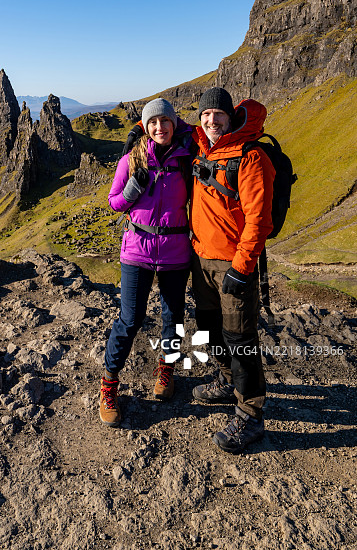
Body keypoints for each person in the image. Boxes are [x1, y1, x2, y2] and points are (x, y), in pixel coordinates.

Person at [190, 87, 275, 453]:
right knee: (210, 329)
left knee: (240, 339)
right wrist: (141, 126)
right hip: (201, 261)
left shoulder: (251, 156)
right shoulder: (202, 147)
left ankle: (250, 415)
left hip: (232, 264)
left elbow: (259, 221)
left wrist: (241, 269)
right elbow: (164, 126)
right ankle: (227, 382)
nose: (212, 120)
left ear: (230, 116)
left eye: (218, 114)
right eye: (206, 115)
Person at [100, 98, 193, 427]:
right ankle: (108, 386)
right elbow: (114, 203)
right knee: (130, 320)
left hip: (176, 251)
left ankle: (167, 370)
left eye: (165, 121)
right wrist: (132, 190)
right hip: (137, 250)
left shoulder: (187, 158)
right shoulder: (131, 159)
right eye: (153, 122)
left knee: (173, 316)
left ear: (174, 124)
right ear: (145, 126)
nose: (159, 127)